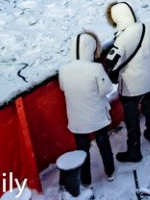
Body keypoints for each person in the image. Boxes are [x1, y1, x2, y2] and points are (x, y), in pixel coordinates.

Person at [104, 1, 150, 163]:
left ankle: (134, 151)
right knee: (149, 107)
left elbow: (111, 65)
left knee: (132, 118)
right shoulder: (147, 27)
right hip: (149, 80)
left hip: (131, 87)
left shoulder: (121, 40)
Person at [58, 31, 116, 185]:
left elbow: (63, 88)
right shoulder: (95, 68)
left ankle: (86, 180)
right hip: (96, 116)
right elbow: (107, 89)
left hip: (77, 119)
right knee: (104, 145)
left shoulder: (63, 70)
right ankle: (110, 171)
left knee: (82, 150)